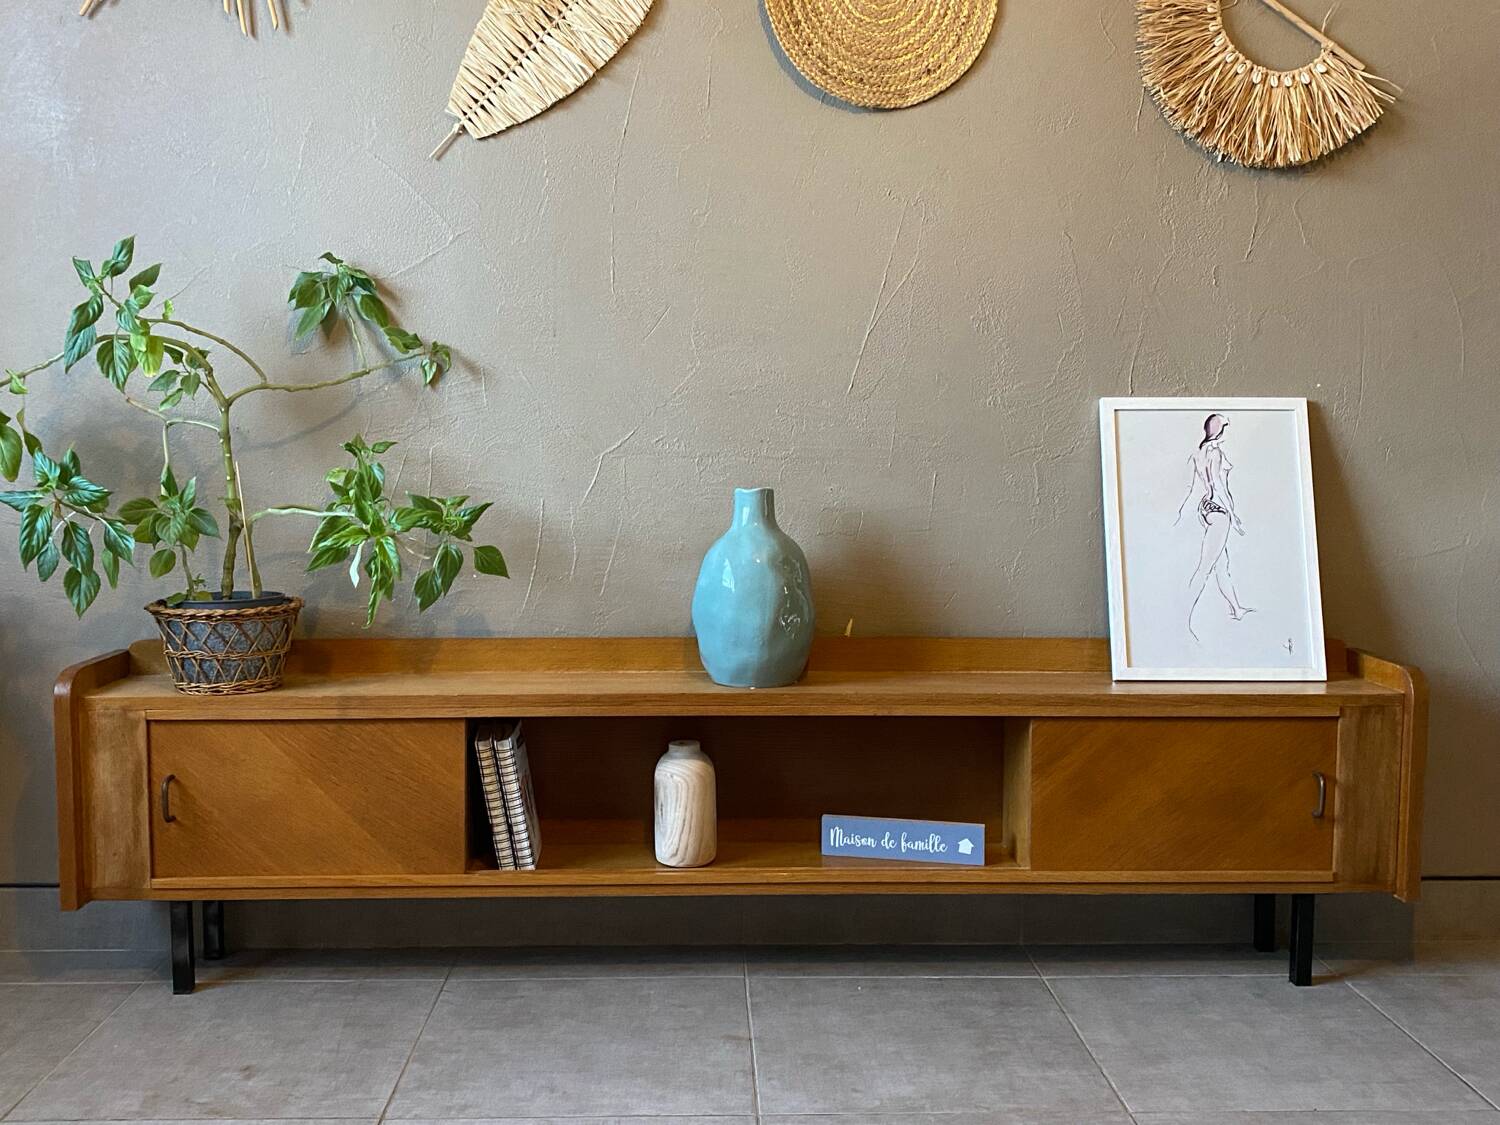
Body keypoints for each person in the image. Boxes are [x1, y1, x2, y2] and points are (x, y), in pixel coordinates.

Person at [1174, 413, 1252, 639]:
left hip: (1206, 509)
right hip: (1219, 511)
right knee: (1205, 567)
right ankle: (1182, 617)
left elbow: (1193, 486)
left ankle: (1236, 608)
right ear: (1219, 431)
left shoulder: (1199, 452)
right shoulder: (1215, 452)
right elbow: (1218, 484)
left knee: (1221, 564)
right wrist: (1234, 514)